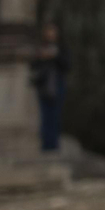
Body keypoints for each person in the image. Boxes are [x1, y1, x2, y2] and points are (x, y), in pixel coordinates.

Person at [30, 22, 68, 154]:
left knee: (55, 116)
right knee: (45, 116)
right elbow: (34, 66)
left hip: (57, 86)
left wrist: (55, 56)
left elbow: (67, 65)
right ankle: (46, 145)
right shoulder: (41, 48)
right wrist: (41, 57)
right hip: (44, 87)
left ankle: (54, 144)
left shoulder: (61, 48)